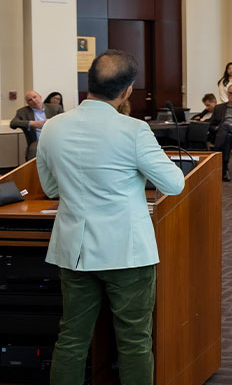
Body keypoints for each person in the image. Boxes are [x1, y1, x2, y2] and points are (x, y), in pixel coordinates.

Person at [37, 50, 185, 384]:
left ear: (88, 82)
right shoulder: (134, 131)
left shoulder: (52, 128)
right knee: (134, 342)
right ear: (127, 90)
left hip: (74, 251)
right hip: (126, 253)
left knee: (71, 339)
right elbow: (174, 185)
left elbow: (50, 188)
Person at [10, 90, 62, 161]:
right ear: (27, 103)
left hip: (55, 140)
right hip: (37, 142)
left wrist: (52, 122)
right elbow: (13, 123)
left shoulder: (55, 108)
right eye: (30, 100)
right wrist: (32, 123)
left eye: (35, 97)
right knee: (34, 151)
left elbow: (66, 122)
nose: (33, 100)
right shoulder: (22, 112)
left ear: (40, 97)